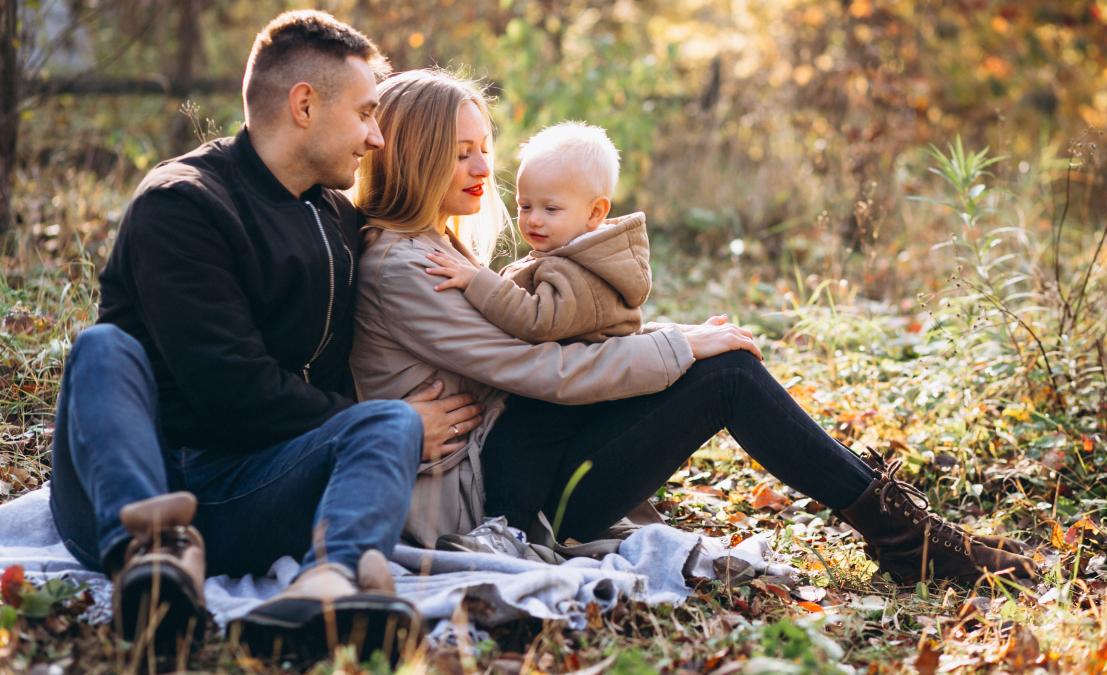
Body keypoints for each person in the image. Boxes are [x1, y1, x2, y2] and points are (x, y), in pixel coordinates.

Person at [350, 68, 1038, 587]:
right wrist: (677, 345)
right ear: (415, 155)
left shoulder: (436, 246)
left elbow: (545, 346)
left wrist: (678, 340)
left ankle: (905, 532)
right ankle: (907, 538)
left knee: (724, 366)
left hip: (520, 459)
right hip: (489, 501)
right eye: (460, 152)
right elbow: (540, 369)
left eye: (483, 148)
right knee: (726, 375)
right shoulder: (404, 265)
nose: (482, 168)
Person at [48, 11, 480, 661]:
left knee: (389, 420)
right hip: (132, 484)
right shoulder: (182, 203)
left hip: (248, 492)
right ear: (304, 105)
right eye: (366, 114)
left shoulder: (337, 218)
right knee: (102, 348)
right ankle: (155, 562)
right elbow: (234, 390)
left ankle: (327, 586)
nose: (376, 138)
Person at [425, 121, 650, 344]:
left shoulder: (584, 275)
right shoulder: (567, 258)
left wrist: (477, 281)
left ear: (594, 212)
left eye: (550, 209)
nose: (533, 220)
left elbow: (538, 322)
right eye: (525, 206)